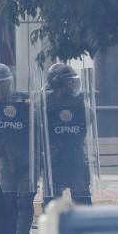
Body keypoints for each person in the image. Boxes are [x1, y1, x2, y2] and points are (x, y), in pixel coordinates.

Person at [0, 64, 37, 234]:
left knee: (24, 201)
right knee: (8, 203)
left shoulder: (24, 102)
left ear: (10, 83)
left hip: (27, 159)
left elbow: (36, 129)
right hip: (6, 162)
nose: (0, 88)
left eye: (3, 84)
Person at [42, 63, 92, 205]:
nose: (73, 84)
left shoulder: (77, 101)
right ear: (58, 83)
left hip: (74, 155)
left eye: (73, 80)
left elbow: (90, 118)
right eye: (69, 81)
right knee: (52, 203)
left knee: (82, 200)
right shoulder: (45, 103)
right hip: (54, 158)